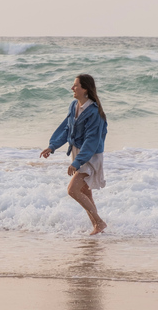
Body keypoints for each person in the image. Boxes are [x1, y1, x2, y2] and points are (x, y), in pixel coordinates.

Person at [40, 74, 108, 235]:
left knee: (73, 190)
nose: (72, 88)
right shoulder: (73, 106)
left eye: (75, 85)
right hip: (78, 153)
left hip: (89, 156)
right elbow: (66, 129)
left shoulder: (94, 113)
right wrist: (52, 146)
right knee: (85, 192)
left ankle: (99, 222)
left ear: (85, 89)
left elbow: (91, 141)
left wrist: (77, 162)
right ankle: (97, 228)